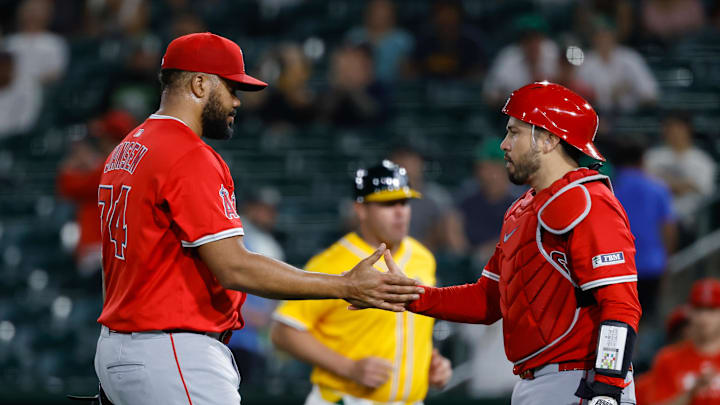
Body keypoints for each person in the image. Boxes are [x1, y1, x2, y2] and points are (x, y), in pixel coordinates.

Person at [92, 32, 423, 405]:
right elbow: (235, 268)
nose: (236, 100)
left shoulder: (127, 148)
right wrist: (345, 285)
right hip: (173, 351)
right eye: (231, 87)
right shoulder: (187, 154)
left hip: (119, 346)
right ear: (199, 83)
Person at [395, 82, 642, 405]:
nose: (504, 144)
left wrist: (608, 387)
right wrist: (408, 295)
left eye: (514, 133)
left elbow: (621, 305)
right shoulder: (521, 209)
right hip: (533, 381)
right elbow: (487, 299)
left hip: (581, 380)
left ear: (550, 139)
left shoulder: (587, 201)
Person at [271, 160, 452, 404]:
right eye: (388, 203)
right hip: (346, 399)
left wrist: (428, 362)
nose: (400, 211)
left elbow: (406, 330)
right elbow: (283, 331)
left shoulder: (423, 256)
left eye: (404, 202)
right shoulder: (332, 262)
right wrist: (348, 368)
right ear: (361, 210)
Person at [57, 109, 137, 279]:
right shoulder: (131, 163)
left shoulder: (112, 166)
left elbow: (67, 185)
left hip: (101, 249)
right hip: (120, 249)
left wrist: (75, 163)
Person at [613, 136, 677, 320]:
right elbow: (668, 228)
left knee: (621, 320)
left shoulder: (607, 189)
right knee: (648, 320)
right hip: (652, 266)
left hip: (619, 268)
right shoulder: (658, 188)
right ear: (642, 160)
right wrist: (667, 261)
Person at [638, 278, 720, 404]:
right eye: (699, 309)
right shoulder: (668, 358)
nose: (704, 317)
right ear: (690, 312)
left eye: (711, 310)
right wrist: (691, 393)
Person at [644, 112, 716, 230]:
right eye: (670, 127)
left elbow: (706, 192)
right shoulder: (652, 157)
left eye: (678, 127)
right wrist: (683, 185)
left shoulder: (703, 161)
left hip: (691, 222)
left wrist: (665, 183)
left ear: (689, 129)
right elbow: (645, 186)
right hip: (656, 221)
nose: (674, 132)